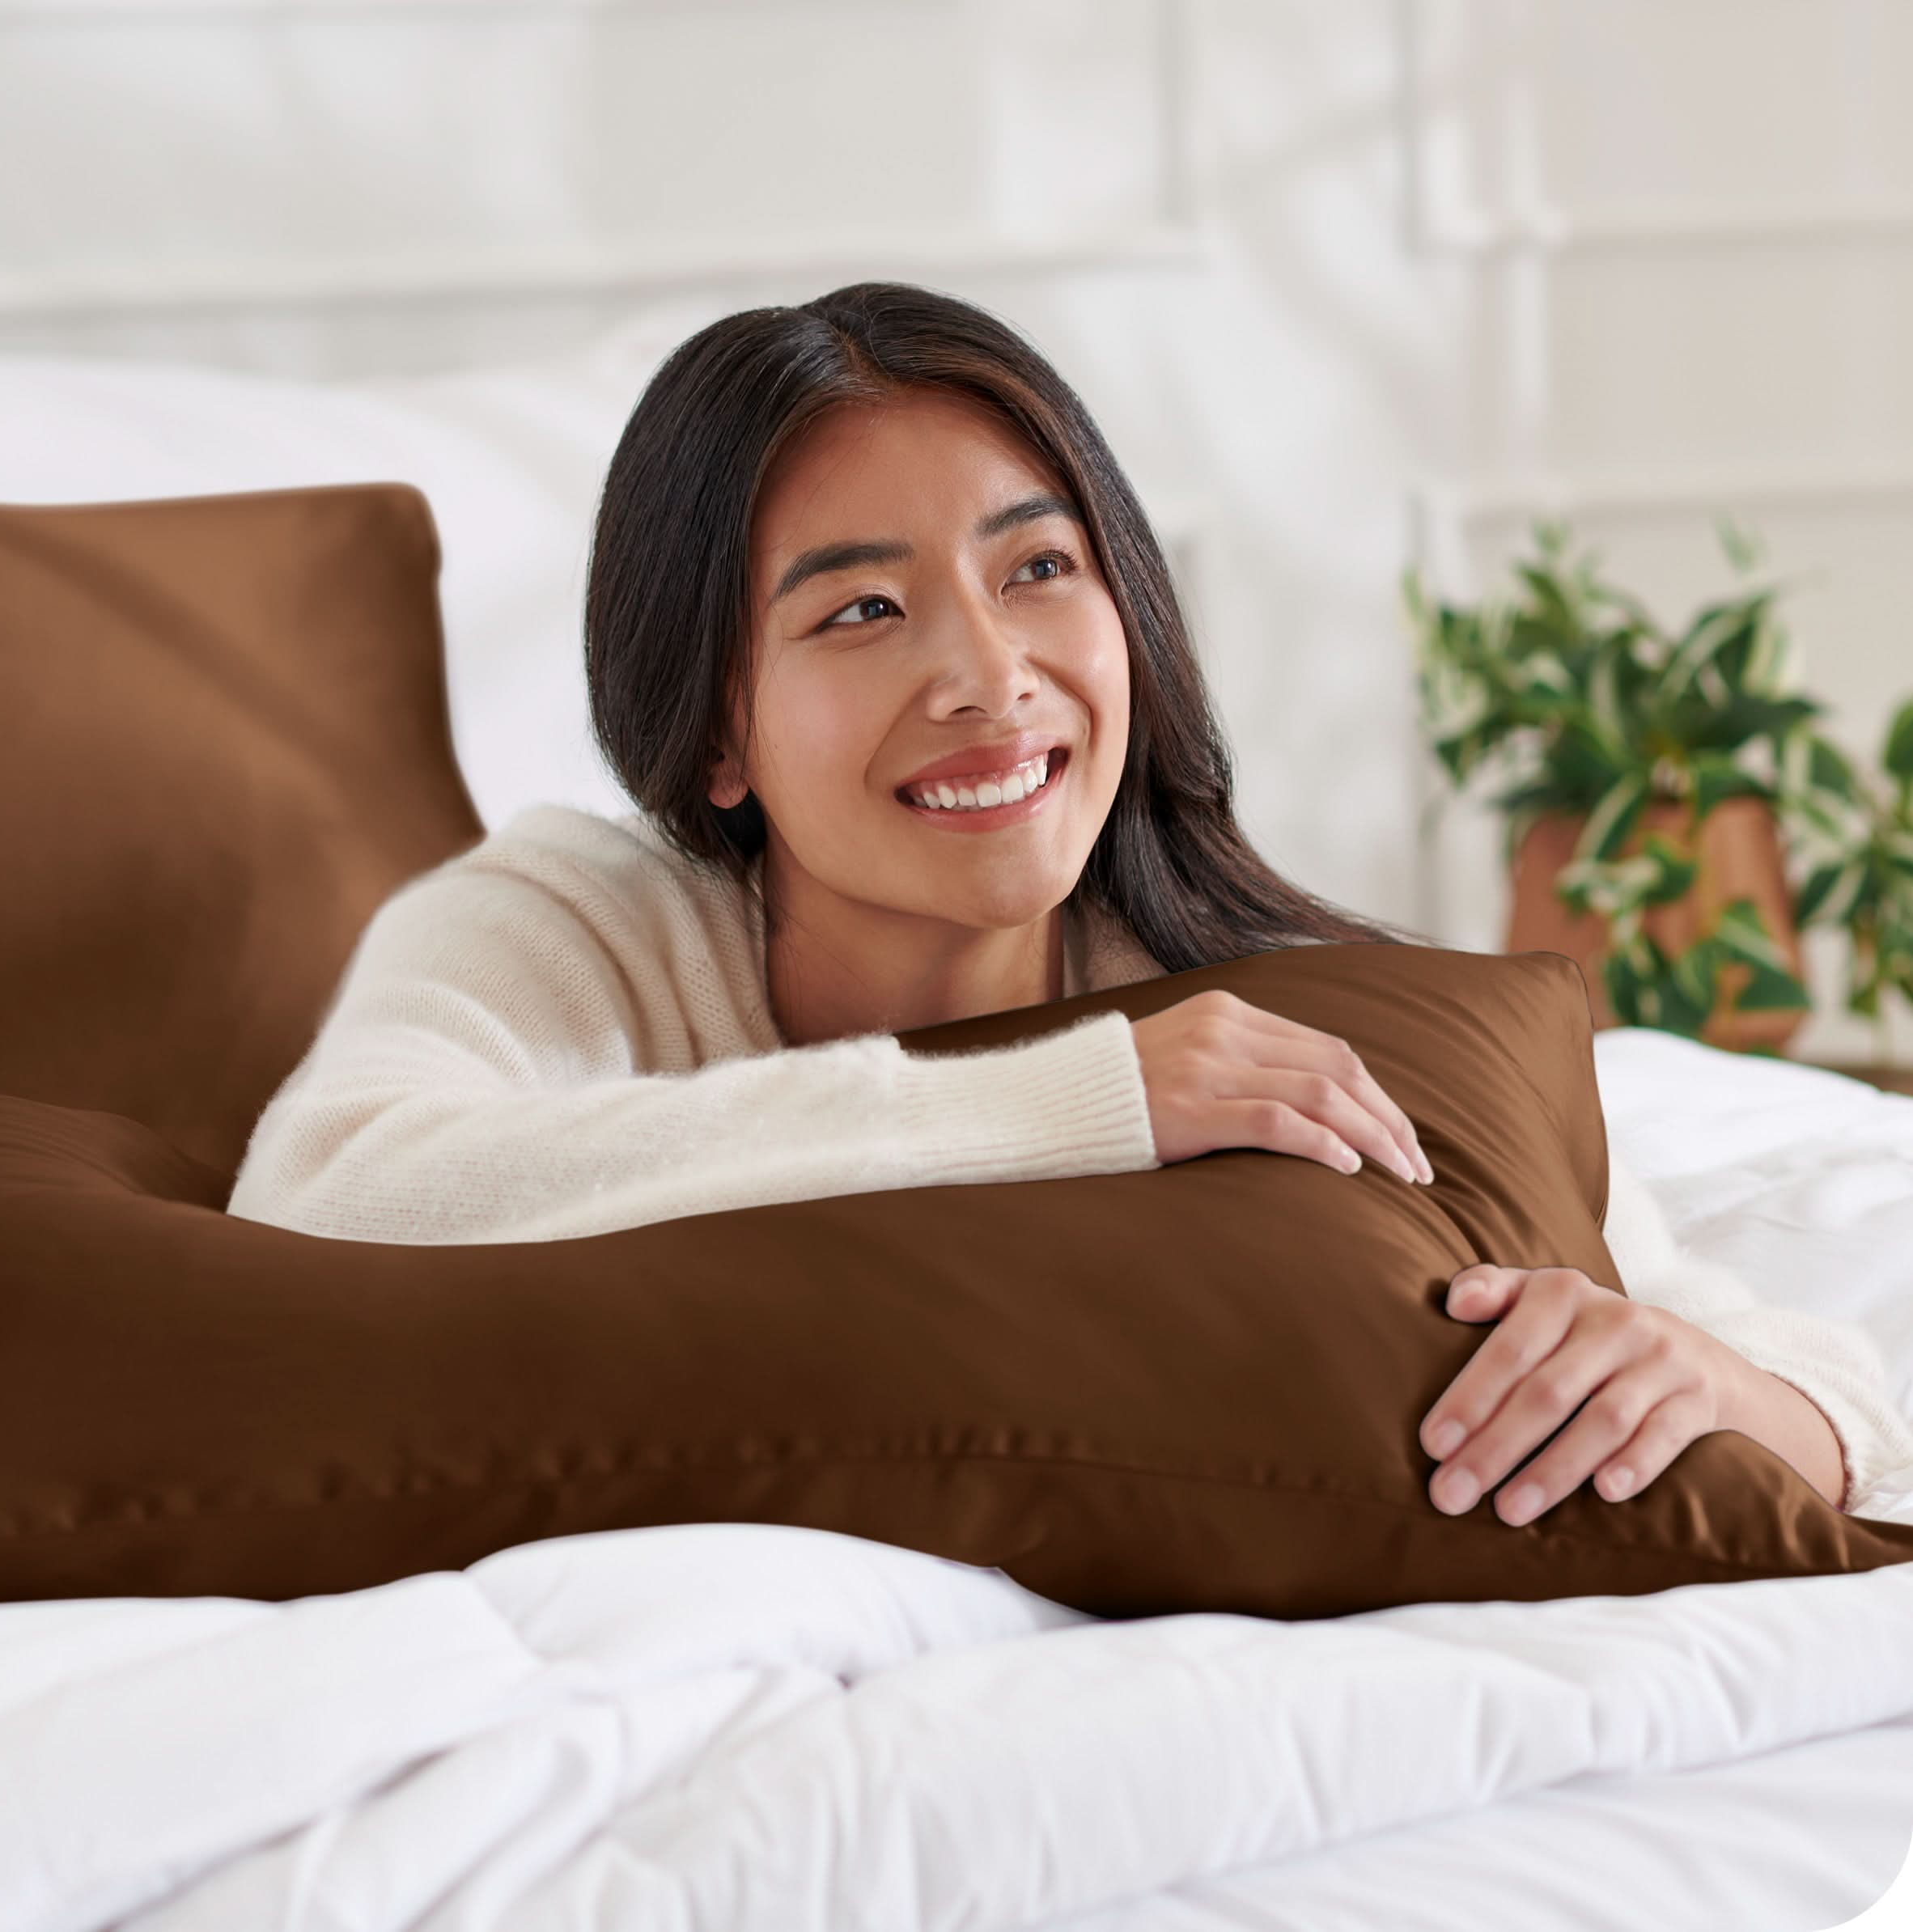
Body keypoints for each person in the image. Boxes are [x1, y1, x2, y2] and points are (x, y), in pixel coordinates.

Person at [227, 280, 1913, 1527]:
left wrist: (1732, 1392)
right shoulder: (581, 919)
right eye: (861, 610)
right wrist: (1072, 1104)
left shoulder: (1270, 1014)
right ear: (717, 725)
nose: (987, 674)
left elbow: (1820, 1389)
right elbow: (326, 1196)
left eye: (1037, 569)